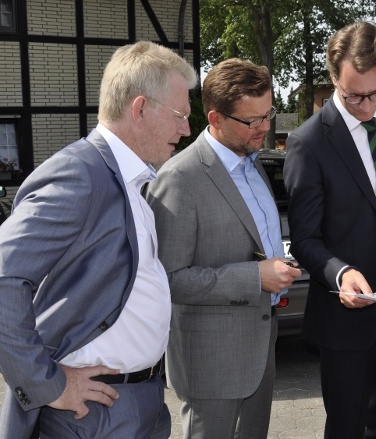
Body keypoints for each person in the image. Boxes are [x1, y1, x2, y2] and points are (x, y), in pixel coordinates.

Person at [0, 41, 197, 438]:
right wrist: (48, 384)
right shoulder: (81, 174)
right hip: (95, 414)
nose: (186, 129)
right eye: (179, 115)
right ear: (139, 108)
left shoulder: (129, 180)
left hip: (139, 402)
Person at [146, 58, 302, 438]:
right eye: (253, 121)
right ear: (215, 118)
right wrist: (255, 277)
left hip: (259, 349)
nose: (265, 128)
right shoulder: (180, 178)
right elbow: (167, 279)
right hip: (211, 363)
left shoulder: (253, 162)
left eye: (269, 115)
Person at [283, 21, 376, 439]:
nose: (366, 105)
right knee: (347, 429)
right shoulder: (309, 142)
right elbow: (304, 239)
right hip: (346, 313)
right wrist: (339, 271)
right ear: (333, 76)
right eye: (354, 94)